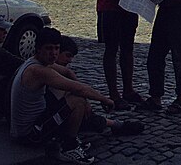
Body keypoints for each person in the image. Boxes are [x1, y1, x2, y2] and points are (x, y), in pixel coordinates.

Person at [10, 27, 142, 164]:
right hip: (30, 134)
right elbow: (79, 89)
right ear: (38, 49)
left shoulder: (36, 62)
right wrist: (104, 99)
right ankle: (69, 146)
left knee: (74, 97)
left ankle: (66, 137)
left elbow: (68, 73)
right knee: (77, 101)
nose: (53, 53)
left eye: (56, 48)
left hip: (32, 125)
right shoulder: (38, 70)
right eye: (49, 48)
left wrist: (81, 92)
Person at [96, 0, 152, 110]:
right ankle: (114, 94)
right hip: (110, 5)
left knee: (128, 47)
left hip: (130, 5)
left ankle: (128, 90)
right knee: (111, 48)